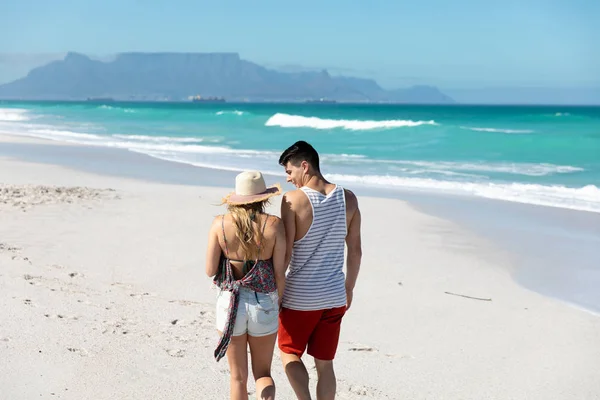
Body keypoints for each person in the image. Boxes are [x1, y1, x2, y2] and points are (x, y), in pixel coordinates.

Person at [277, 141, 362, 400]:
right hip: (335, 295)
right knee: (325, 364)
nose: (289, 179)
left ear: (305, 165)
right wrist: (349, 289)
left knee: (289, 353)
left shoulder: (293, 200)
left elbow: (287, 253)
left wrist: (277, 291)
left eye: (290, 172)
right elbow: (355, 250)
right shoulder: (348, 197)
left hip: (301, 296)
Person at [205, 170, 287, 400]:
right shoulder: (274, 225)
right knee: (263, 374)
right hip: (264, 304)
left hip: (230, 303)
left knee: (237, 377)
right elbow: (280, 272)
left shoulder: (219, 224)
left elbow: (210, 270)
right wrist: (278, 302)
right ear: (263, 198)